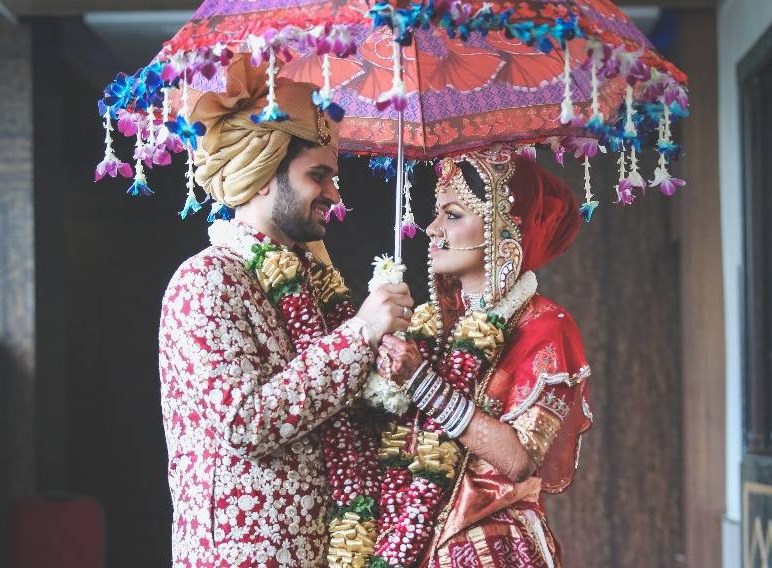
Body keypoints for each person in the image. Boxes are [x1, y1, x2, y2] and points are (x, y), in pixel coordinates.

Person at [158, 55, 416, 567]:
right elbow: (244, 423)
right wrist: (359, 333)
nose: (334, 194)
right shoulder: (207, 280)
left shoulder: (313, 281)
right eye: (318, 176)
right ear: (260, 176)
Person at [376, 147, 593, 567]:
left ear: (503, 230)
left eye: (453, 215)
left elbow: (518, 461)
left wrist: (421, 382)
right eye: (437, 213)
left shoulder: (547, 327)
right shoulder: (429, 324)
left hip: (492, 547)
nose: (432, 228)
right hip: (413, 540)